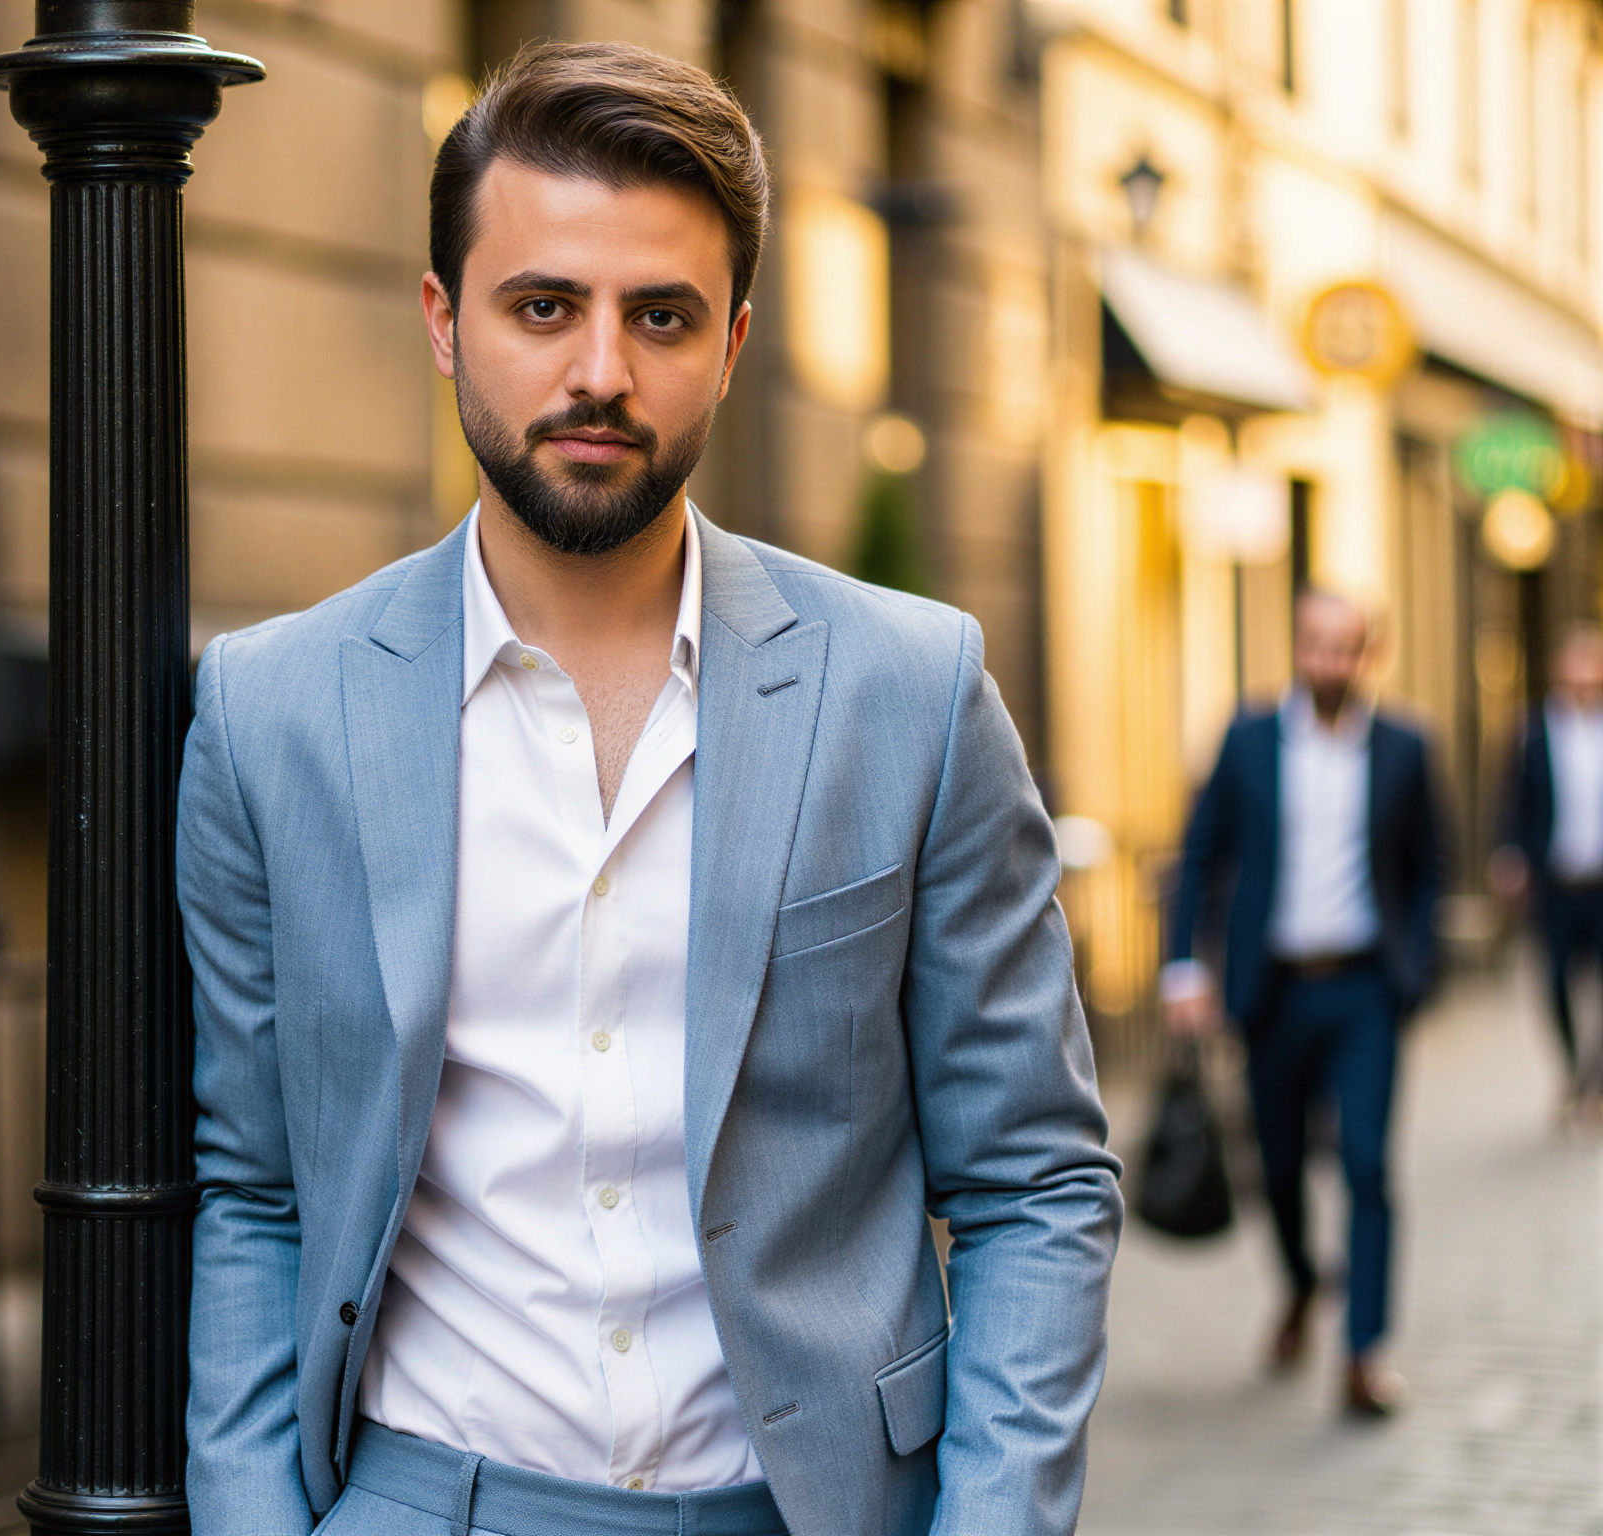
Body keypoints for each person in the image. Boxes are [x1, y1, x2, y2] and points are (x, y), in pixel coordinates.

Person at [178, 40, 1122, 1536]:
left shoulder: (911, 691)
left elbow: (1034, 1182)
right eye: (542, 306)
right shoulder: (269, 710)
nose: (600, 372)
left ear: (732, 343)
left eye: (660, 315)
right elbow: (253, 1190)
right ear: (443, 321)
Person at [1163, 590, 1443, 1418]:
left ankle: (1364, 1353)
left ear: (1370, 653)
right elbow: (1199, 853)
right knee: (1279, 1169)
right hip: (1273, 991)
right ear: (1297, 646)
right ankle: (1299, 1283)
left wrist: (1416, 970)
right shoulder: (1247, 739)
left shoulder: (1406, 747)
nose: (1330, 662)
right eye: (1317, 645)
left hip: (1365, 989)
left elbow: (1430, 865)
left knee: (1366, 1164)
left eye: (1346, 647)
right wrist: (1184, 967)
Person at [1498, 626, 1603, 1117]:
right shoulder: (1533, 730)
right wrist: (1509, 854)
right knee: (1555, 983)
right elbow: (1512, 800)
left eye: (1592, 664)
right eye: (1575, 664)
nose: (1584, 675)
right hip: (1555, 883)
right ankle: (1574, 1068)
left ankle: (1595, 1081)